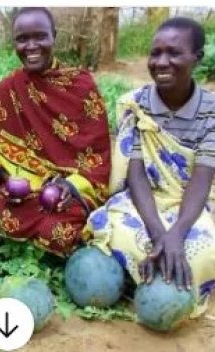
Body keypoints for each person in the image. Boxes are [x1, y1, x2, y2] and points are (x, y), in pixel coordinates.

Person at [87, 17, 215, 318]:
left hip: (192, 206)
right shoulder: (135, 105)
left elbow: (202, 179)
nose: (161, 62)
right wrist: (159, 233)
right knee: (112, 229)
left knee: (201, 251)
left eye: (174, 53)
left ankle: (160, 288)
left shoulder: (211, 112)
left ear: (196, 58)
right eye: (155, 53)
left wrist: (177, 233)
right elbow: (137, 175)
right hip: (143, 202)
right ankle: (144, 277)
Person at [0, 7, 111, 256]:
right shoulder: (5, 91)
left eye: (40, 36)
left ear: (54, 36)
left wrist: (71, 186)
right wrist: (13, 181)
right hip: (26, 186)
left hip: (70, 188)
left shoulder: (80, 85)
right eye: (22, 39)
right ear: (14, 43)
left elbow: (96, 154)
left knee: (59, 231)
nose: (31, 46)